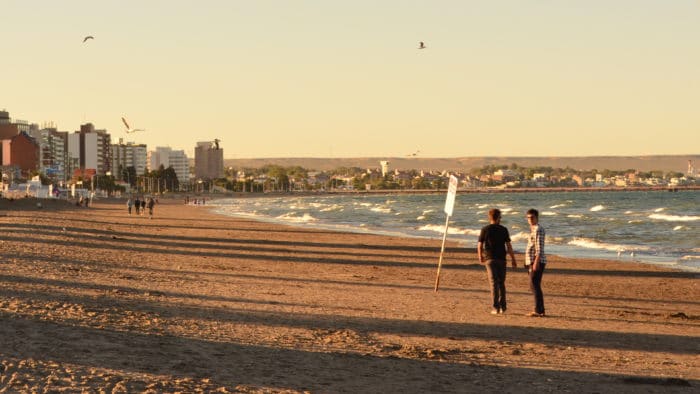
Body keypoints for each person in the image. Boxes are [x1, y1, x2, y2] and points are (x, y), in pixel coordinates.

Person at [477, 208, 517, 314]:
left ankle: (496, 308)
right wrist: (513, 259)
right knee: (501, 283)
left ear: (489, 217)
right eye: (500, 217)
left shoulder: (485, 229)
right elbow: (509, 246)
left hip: (490, 259)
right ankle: (503, 307)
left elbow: (480, 244)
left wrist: (480, 256)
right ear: (498, 218)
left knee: (494, 283)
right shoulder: (504, 229)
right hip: (501, 259)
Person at [525, 208, 546, 317]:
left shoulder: (538, 229)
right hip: (531, 260)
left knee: (534, 284)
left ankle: (538, 310)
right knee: (533, 285)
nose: (530, 219)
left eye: (532, 217)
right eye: (528, 218)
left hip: (536, 260)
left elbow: (539, 247)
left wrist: (536, 262)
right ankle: (540, 309)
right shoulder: (532, 229)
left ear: (537, 217)